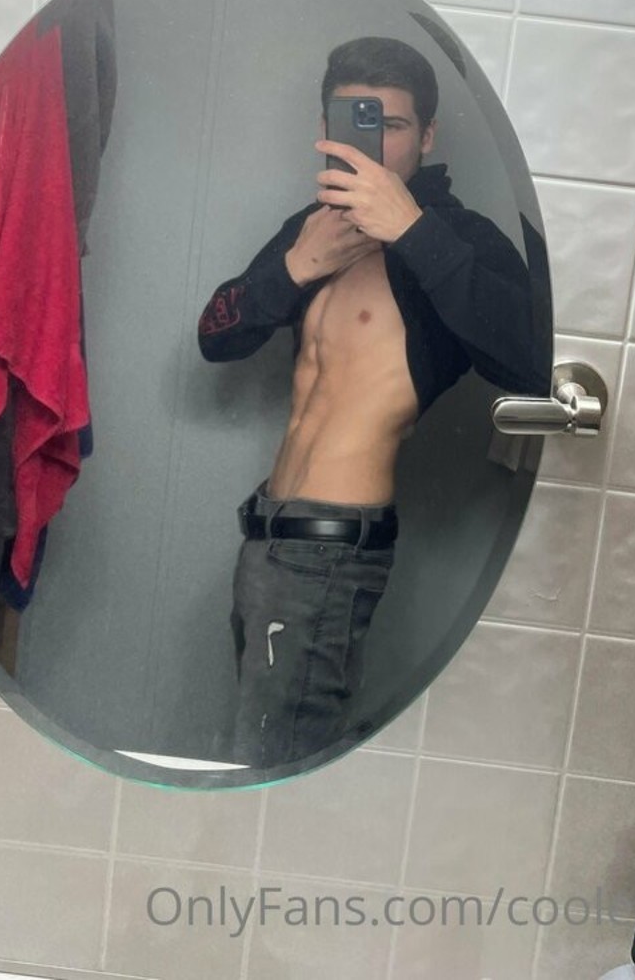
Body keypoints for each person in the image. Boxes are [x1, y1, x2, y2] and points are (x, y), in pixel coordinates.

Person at [197, 37, 541, 768]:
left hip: (330, 551)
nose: (374, 143)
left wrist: (411, 230)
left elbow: (528, 359)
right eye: (355, 120)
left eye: (393, 124)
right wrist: (294, 268)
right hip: (265, 532)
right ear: (325, 129)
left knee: (271, 761)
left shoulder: (459, 240)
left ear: (428, 135)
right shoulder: (313, 227)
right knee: (258, 752)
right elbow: (214, 336)